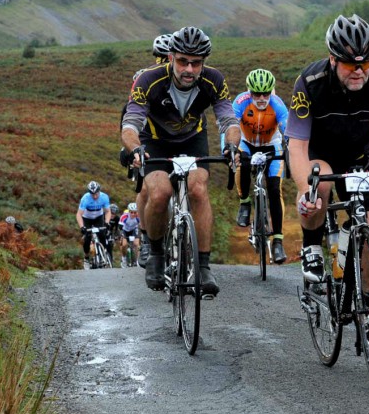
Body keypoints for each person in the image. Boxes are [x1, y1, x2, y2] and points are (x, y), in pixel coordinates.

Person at [286, 14, 369, 351]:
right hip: (319, 155)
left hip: (360, 159)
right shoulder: (310, 82)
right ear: (333, 59)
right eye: (349, 64)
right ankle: (312, 247)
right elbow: (297, 147)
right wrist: (306, 191)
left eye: (365, 63)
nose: (359, 70)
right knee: (320, 188)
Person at [121, 26, 241, 295]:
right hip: (154, 141)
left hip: (192, 139)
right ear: (171, 57)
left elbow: (228, 119)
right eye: (183, 61)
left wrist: (233, 145)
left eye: (196, 63)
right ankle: (156, 254)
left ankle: (204, 264)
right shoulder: (148, 80)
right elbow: (130, 124)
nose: (189, 69)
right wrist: (135, 149)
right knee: (160, 192)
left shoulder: (214, 80)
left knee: (198, 188)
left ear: (203, 63)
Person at [228, 68, 290, 264]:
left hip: (271, 145)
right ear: (249, 91)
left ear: (272, 91)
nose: (262, 98)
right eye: (256, 93)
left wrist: (291, 149)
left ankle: (278, 241)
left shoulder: (278, 105)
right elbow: (228, 127)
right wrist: (229, 150)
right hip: (246, 143)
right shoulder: (240, 102)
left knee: (273, 188)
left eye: (266, 93)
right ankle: (245, 203)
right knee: (243, 164)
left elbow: (288, 129)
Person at [76, 180, 112, 268]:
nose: (95, 196)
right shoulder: (85, 199)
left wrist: (107, 222)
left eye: (97, 193)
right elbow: (79, 214)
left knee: (102, 234)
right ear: (89, 193)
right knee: (87, 239)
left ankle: (104, 253)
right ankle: (87, 258)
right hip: (87, 218)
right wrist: (82, 227)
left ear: (99, 191)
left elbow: (108, 211)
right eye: (93, 194)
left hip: (98, 217)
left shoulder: (104, 197)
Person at [119, 202, 141, 267]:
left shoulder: (138, 216)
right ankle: (124, 258)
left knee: (137, 244)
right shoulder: (124, 216)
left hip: (133, 230)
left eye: (135, 212)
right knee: (124, 244)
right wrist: (122, 236)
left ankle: (138, 261)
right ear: (129, 211)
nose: (133, 214)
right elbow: (120, 227)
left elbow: (142, 226)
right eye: (131, 212)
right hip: (125, 230)